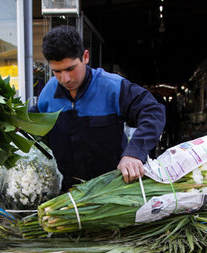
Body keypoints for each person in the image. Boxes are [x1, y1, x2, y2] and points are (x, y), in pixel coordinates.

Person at [33, 25, 166, 191]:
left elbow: (153, 110)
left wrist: (134, 152)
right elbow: (31, 120)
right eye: (57, 71)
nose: (65, 79)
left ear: (85, 57)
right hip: (70, 191)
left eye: (70, 68)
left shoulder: (112, 87)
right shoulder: (49, 92)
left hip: (113, 188)